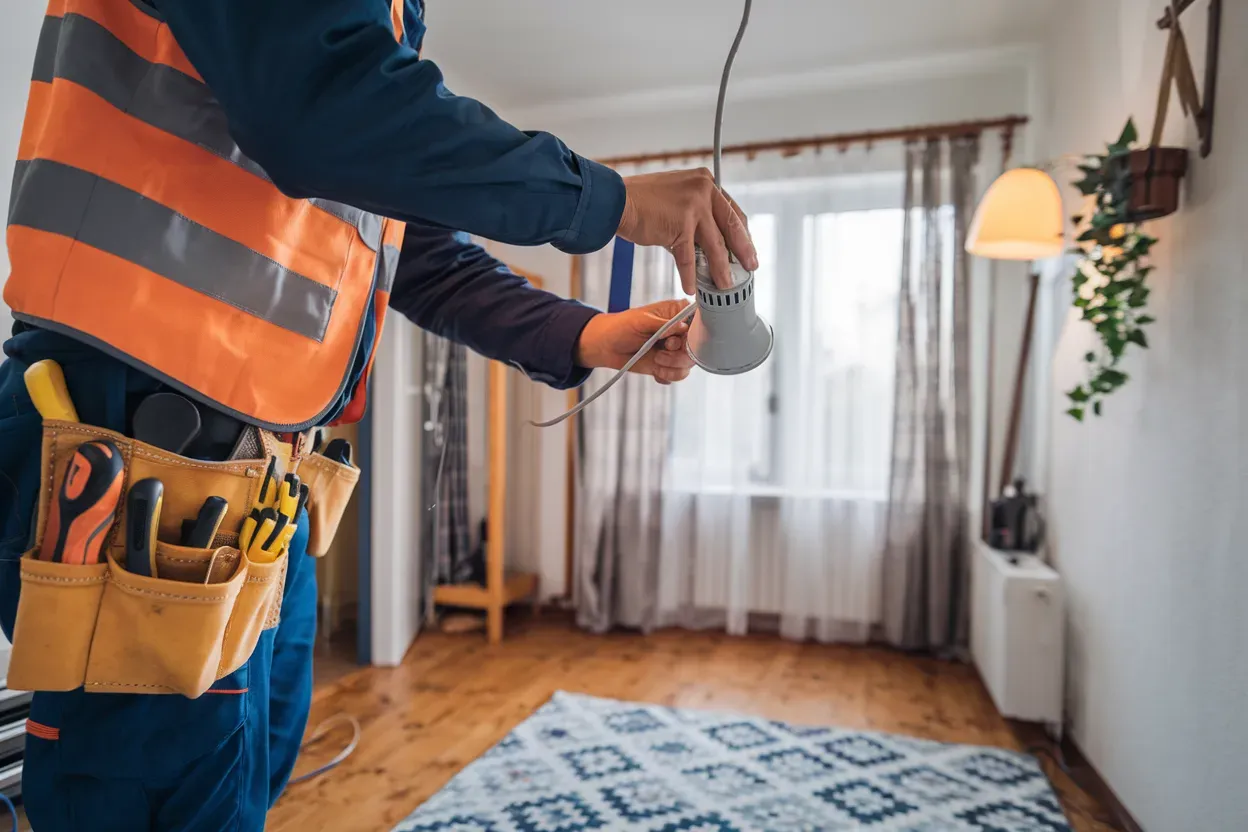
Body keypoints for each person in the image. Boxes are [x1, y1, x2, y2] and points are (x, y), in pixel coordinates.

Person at [0, 0, 758, 829]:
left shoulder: (382, 25)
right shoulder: (341, 65)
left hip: (257, 472)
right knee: (158, 797)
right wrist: (606, 202)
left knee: (248, 773)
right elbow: (319, 115)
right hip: (138, 435)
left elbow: (415, 252)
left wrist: (587, 333)